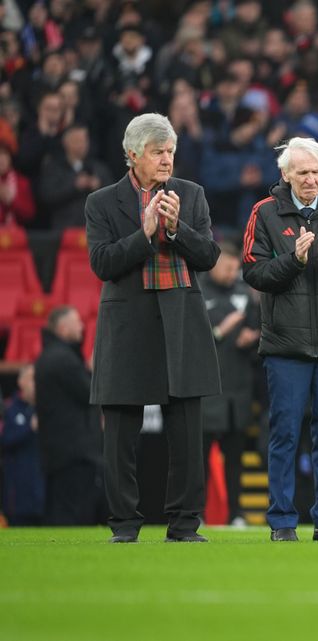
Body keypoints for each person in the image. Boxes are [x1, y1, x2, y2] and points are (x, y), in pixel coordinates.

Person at [86, 113, 221, 543]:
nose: (167, 160)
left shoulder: (191, 195)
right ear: (133, 155)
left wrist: (177, 229)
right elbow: (103, 264)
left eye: (171, 152)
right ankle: (124, 525)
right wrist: (144, 233)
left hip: (182, 322)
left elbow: (210, 257)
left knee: (186, 431)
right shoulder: (102, 202)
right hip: (128, 325)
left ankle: (184, 525)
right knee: (121, 432)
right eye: (158, 152)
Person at [241, 136, 318, 542]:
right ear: (285, 175)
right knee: (285, 435)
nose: (311, 179)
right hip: (285, 345)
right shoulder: (264, 213)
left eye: (316, 172)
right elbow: (254, 274)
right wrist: (292, 261)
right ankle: (281, 522)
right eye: (302, 173)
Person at [200, 241, 260, 526]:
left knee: (235, 458)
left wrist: (250, 339)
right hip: (208, 391)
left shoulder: (244, 295)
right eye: (228, 267)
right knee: (199, 460)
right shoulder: (197, 292)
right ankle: (195, 514)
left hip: (238, 391)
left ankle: (236, 513)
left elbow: (257, 329)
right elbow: (188, 340)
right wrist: (218, 332)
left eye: (236, 268)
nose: (232, 273)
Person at [34, 305, 104, 525]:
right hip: (72, 452)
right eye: (77, 322)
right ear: (63, 328)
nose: (82, 327)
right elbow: (88, 393)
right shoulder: (63, 360)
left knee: (62, 507)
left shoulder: (52, 356)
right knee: (71, 511)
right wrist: (93, 370)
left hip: (59, 449)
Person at [1, 365, 44, 526]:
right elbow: (5, 440)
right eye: (32, 378)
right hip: (17, 488)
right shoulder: (10, 409)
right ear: (21, 381)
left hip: (41, 487)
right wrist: (29, 428)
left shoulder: (45, 408)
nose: (36, 383)